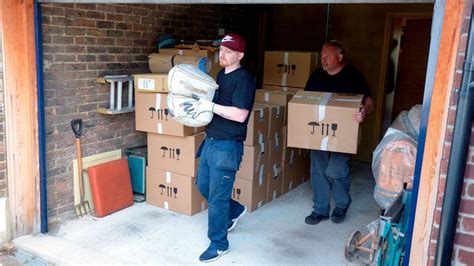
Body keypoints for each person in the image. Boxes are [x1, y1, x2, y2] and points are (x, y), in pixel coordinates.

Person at [183, 33, 255, 262]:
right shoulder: (220, 75)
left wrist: (210, 106)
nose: (222, 55)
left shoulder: (244, 79)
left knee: (217, 198)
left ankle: (218, 243)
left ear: (240, 55)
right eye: (221, 50)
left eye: (228, 51)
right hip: (211, 141)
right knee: (202, 184)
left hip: (227, 146)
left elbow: (241, 115)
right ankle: (234, 210)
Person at [304, 40, 374, 225]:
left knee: (335, 169)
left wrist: (364, 112)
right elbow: (305, 102)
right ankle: (320, 209)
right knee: (318, 169)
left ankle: (342, 203)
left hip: (345, 133)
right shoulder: (316, 77)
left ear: (340, 57)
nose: (323, 60)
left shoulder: (353, 76)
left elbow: (368, 101)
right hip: (318, 130)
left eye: (327, 56)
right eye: (322, 56)